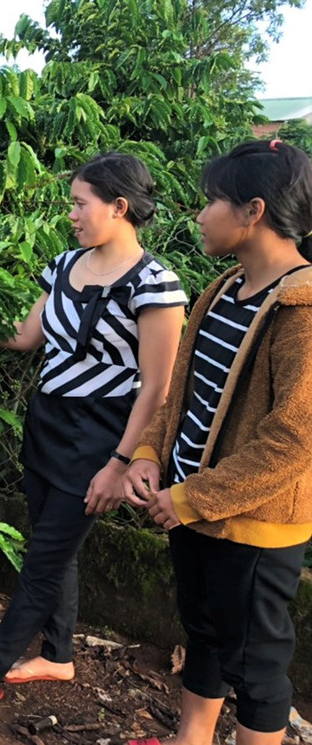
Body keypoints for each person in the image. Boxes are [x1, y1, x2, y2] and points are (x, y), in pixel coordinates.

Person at [0, 152, 187, 723]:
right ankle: (59, 655)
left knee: (45, 559)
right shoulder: (65, 264)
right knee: (53, 547)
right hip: (47, 422)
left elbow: (157, 388)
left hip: (101, 436)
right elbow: (25, 338)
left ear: (119, 207)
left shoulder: (155, 284)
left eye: (80, 203)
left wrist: (119, 463)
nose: (71, 214)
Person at [123, 140, 312, 745]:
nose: (201, 215)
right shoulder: (227, 287)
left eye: (213, 201)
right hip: (192, 507)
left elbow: (293, 441)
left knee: (257, 667)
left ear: (254, 210)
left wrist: (190, 498)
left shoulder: (302, 310)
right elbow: (182, 394)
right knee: (202, 635)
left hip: (252, 525)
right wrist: (151, 455)